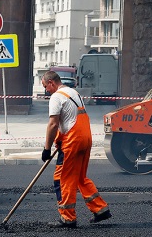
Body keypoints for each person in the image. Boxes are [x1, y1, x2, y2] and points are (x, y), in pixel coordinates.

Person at [41, 71, 111, 228]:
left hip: (72, 142)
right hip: (85, 139)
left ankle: (68, 218)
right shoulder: (73, 92)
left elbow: (53, 124)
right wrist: (59, 141)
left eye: (46, 86)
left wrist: (47, 148)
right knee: (79, 177)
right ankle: (100, 209)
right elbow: (69, 120)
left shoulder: (56, 97)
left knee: (62, 179)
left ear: (51, 83)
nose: (47, 90)